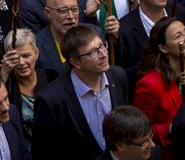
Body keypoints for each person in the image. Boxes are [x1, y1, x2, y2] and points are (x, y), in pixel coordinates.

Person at [31, 25, 129, 160]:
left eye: (102, 46)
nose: (103, 54)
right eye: (93, 52)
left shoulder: (117, 77)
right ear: (75, 62)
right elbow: (45, 152)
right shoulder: (51, 99)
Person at [133, 17, 185, 157]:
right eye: (178, 36)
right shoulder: (149, 85)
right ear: (163, 48)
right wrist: (170, 128)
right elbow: (141, 130)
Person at [0, 28, 50, 154]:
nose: (21, 63)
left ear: (37, 53)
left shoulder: (50, 77)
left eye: (27, 56)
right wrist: (4, 74)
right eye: (15, 58)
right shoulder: (7, 85)